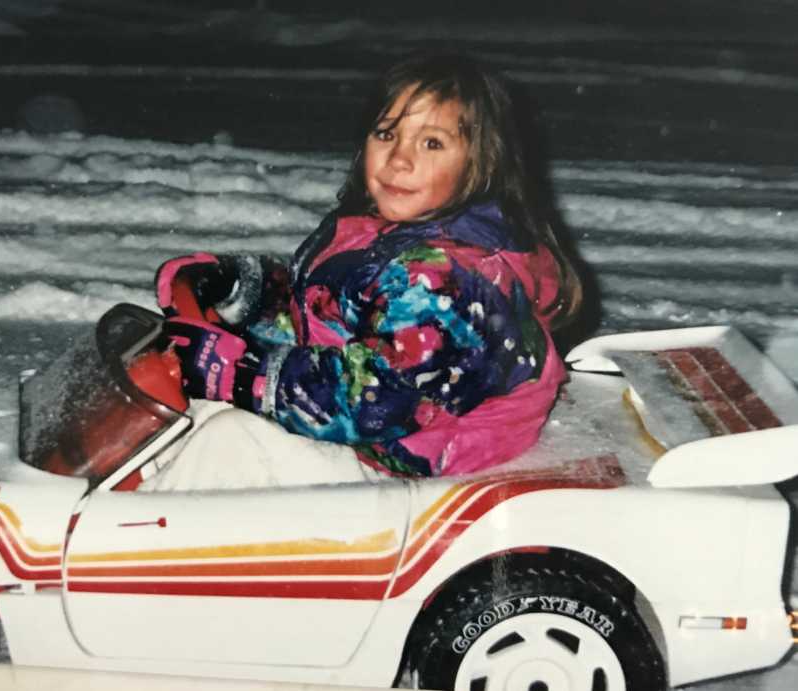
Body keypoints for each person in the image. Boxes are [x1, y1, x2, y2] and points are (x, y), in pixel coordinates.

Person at [152, 53, 582, 483]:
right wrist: (244, 296)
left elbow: (376, 401)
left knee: (228, 440)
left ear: (481, 164)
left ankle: (142, 541)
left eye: (431, 143)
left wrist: (240, 375)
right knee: (183, 418)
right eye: (386, 134)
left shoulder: (444, 279)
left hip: (402, 461)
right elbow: (322, 316)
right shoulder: (373, 231)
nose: (399, 158)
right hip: (360, 428)